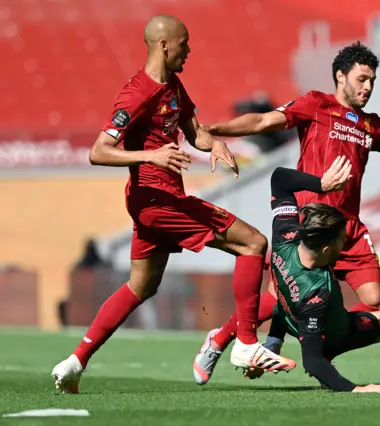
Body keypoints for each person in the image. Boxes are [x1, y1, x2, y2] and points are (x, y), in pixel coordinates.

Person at [51, 15, 295, 394]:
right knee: (253, 242)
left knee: (140, 287)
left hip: (157, 201)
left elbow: (195, 133)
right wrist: (150, 157)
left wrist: (214, 143)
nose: (190, 50)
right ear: (165, 45)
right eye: (185, 43)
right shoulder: (137, 92)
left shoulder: (174, 87)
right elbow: (98, 152)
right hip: (157, 200)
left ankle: (75, 361)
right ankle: (245, 343)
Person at [193, 41, 380, 384]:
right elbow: (263, 121)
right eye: (362, 79)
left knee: (374, 299)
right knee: (279, 298)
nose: (367, 87)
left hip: (348, 228)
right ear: (341, 76)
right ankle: (219, 339)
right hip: (310, 224)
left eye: (372, 82)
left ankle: (320, 341)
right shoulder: (316, 104)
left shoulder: (372, 126)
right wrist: (212, 130)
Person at [264, 157, 380, 392]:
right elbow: (312, 362)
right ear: (325, 248)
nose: (346, 243)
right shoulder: (316, 292)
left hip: (293, 322)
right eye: (342, 239)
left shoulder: (285, 235)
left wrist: (322, 185)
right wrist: (356, 389)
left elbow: (279, 177)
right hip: (341, 333)